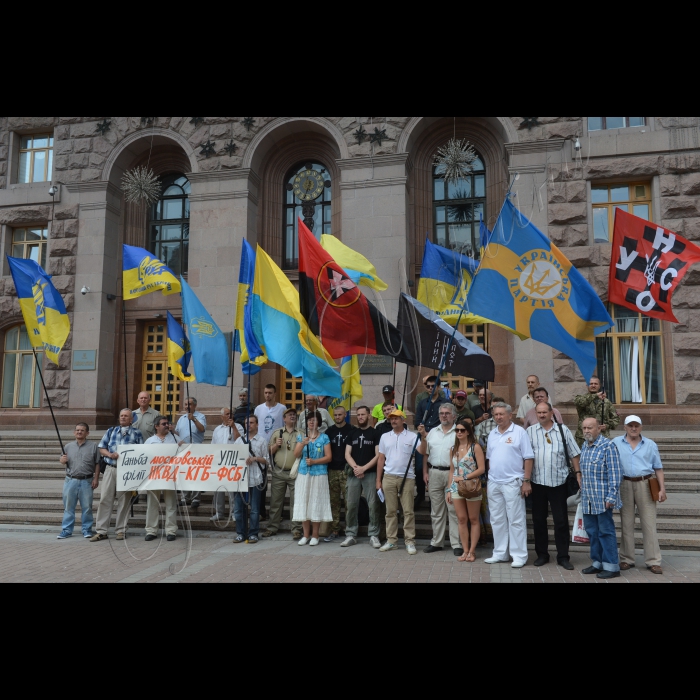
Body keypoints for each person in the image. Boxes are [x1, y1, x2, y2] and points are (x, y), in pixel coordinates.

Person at [527, 403, 581, 571]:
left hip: (559, 482)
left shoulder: (563, 430)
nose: (542, 415)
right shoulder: (529, 432)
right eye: (539, 412)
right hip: (537, 483)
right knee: (538, 520)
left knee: (561, 521)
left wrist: (578, 474)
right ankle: (542, 554)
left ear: (552, 413)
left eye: (545, 412)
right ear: (535, 414)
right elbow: (525, 456)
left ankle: (563, 556)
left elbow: (574, 453)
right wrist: (525, 479)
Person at [613, 417, 667, 576]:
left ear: (641, 427)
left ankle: (653, 560)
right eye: (630, 425)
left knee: (649, 523)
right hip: (624, 483)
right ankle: (626, 558)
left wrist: (662, 488)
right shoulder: (616, 442)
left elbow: (658, 467)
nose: (634, 428)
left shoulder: (650, 444)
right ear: (625, 427)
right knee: (626, 522)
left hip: (646, 483)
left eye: (636, 425)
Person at [484, 403, 535, 569]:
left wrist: (526, 481)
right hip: (494, 482)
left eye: (501, 414)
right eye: (496, 414)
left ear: (509, 415)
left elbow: (528, 457)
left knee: (516, 520)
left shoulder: (520, 432)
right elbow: (490, 458)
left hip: (513, 482)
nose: (498, 417)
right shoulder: (492, 434)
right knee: (497, 519)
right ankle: (500, 553)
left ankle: (519, 555)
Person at [91, 409, 144, 542]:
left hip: (127, 471)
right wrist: (110, 454)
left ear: (132, 419)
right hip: (110, 468)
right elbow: (101, 448)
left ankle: (121, 530)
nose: (123, 418)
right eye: (121, 416)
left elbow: (142, 452)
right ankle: (101, 531)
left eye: (126, 416)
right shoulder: (111, 431)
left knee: (124, 500)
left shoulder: (137, 433)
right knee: (105, 499)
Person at [580, 418, 623, 579]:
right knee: (592, 532)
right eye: (584, 428)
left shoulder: (608, 446)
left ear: (599, 428)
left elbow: (615, 473)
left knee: (606, 531)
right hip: (588, 498)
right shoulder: (585, 445)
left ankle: (612, 566)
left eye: (590, 428)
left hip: (603, 498)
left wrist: (612, 496)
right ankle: (597, 563)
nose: (586, 431)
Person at [418, 403, 463, 556]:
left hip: (453, 474)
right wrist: (425, 472)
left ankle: (456, 543)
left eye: (447, 413)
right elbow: (424, 453)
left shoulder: (459, 432)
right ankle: (437, 542)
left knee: (453, 510)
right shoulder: (432, 433)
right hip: (434, 472)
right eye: (442, 413)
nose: (444, 415)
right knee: (436, 510)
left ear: (454, 416)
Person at [377, 410, 418, 555]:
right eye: (391, 419)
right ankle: (391, 541)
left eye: (396, 418)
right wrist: (378, 480)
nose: (393, 421)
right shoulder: (384, 437)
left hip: (407, 477)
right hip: (388, 476)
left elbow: (423, 451)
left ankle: (410, 541)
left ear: (403, 420)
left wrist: (423, 437)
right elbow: (381, 459)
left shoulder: (413, 436)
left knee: (408, 511)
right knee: (390, 511)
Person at [447, 420, 486, 562]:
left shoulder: (475, 447)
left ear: (468, 431)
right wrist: (448, 489)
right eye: (457, 430)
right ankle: (464, 550)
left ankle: (472, 551)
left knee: (474, 519)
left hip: (472, 486)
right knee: (461, 519)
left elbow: (481, 469)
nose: (459, 432)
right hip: (456, 487)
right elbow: (452, 471)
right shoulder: (453, 448)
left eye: (462, 430)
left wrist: (464, 477)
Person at [343, 406, 381, 549]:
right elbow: (347, 454)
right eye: (358, 415)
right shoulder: (352, 433)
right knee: (351, 504)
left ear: (369, 415)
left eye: (362, 414)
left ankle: (373, 534)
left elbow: (378, 455)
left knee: (373, 505)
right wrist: (356, 468)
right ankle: (351, 533)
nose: (360, 417)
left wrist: (364, 468)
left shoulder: (375, 433)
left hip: (370, 474)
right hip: (354, 474)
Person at [293, 411, 333, 546]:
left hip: (319, 473)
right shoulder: (302, 437)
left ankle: (315, 535)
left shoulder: (324, 438)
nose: (311, 422)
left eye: (314, 420)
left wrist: (315, 462)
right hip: (304, 473)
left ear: (319, 423)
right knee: (304, 501)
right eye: (309, 420)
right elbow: (296, 454)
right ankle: (305, 535)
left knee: (315, 502)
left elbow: (328, 457)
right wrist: (303, 443)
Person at [264, 408, 303, 541]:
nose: (292, 416)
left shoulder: (301, 434)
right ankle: (272, 527)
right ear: (284, 418)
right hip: (279, 472)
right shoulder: (277, 433)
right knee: (276, 501)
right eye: (289, 415)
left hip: (294, 473)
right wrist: (276, 445)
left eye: (294, 415)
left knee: (295, 502)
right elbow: (268, 451)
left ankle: (296, 529)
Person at [57, 423, 101, 540]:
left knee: (87, 507)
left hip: (87, 480)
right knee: (68, 507)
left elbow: (97, 463)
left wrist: (96, 478)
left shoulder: (93, 446)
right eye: (77, 430)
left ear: (87, 433)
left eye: (82, 430)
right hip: (70, 480)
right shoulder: (67, 447)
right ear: (74, 432)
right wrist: (62, 460)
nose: (79, 432)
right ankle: (66, 530)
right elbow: (62, 460)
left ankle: (86, 529)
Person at [233, 416, 269, 545]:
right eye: (247, 423)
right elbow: (233, 457)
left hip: (255, 478)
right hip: (240, 479)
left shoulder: (262, 441)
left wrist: (255, 459)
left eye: (252, 423)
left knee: (254, 509)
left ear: (257, 425)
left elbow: (267, 460)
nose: (249, 425)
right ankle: (241, 533)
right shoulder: (238, 441)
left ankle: (253, 533)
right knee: (239, 509)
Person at [144, 416, 180, 543]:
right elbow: (145, 457)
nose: (166, 425)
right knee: (152, 504)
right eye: (163, 423)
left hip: (170, 476)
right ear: (156, 426)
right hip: (154, 477)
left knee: (171, 504)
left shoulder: (175, 438)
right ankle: (151, 531)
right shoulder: (149, 441)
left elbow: (185, 451)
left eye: (167, 423)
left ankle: (171, 531)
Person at [210, 408, 243, 524]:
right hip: (219, 463)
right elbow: (213, 445)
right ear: (222, 416)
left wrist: (233, 427)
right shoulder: (217, 430)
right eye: (227, 414)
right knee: (219, 489)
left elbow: (240, 440)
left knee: (232, 489)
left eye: (231, 414)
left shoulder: (238, 426)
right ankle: (219, 512)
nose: (230, 415)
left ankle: (234, 512)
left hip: (233, 462)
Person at [325, 407, 352, 542]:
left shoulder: (351, 430)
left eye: (340, 414)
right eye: (335, 415)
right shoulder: (329, 431)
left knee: (349, 502)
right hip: (332, 471)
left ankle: (349, 530)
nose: (337, 417)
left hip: (346, 471)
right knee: (334, 502)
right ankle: (335, 529)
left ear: (345, 415)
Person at [176, 397, 207, 509]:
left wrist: (193, 419)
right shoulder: (181, 418)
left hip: (196, 449)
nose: (186, 406)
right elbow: (178, 432)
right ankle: (185, 498)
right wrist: (171, 430)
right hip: (183, 449)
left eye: (189, 404)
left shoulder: (201, 416)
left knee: (195, 473)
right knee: (184, 473)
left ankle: (196, 498)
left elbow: (202, 429)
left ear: (194, 405)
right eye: (185, 404)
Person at [575, 378, 620, 447]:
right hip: (583, 438)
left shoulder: (606, 402)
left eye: (596, 384)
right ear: (587, 386)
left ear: (599, 386)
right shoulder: (580, 398)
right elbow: (580, 403)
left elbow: (616, 419)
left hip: (602, 437)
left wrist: (607, 426)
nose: (593, 385)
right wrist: (596, 396)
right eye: (591, 384)